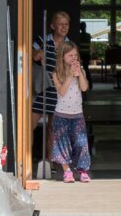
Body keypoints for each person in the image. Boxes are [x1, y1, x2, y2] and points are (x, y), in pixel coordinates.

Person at [51, 41, 92, 183]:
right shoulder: (56, 73)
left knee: (81, 143)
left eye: (75, 55)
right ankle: (67, 171)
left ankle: (82, 170)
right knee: (63, 143)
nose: (74, 58)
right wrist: (69, 76)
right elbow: (62, 92)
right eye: (70, 55)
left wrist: (79, 74)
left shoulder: (81, 71)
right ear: (62, 57)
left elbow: (84, 88)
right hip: (61, 114)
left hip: (77, 114)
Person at [32, 11, 71, 131]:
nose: (64, 27)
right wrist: (36, 53)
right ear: (53, 26)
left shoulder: (70, 46)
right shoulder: (42, 40)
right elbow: (29, 52)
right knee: (29, 126)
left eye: (66, 24)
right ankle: (26, 145)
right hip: (40, 89)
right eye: (60, 24)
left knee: (53, 128)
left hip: (58, 91)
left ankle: (50, 146)